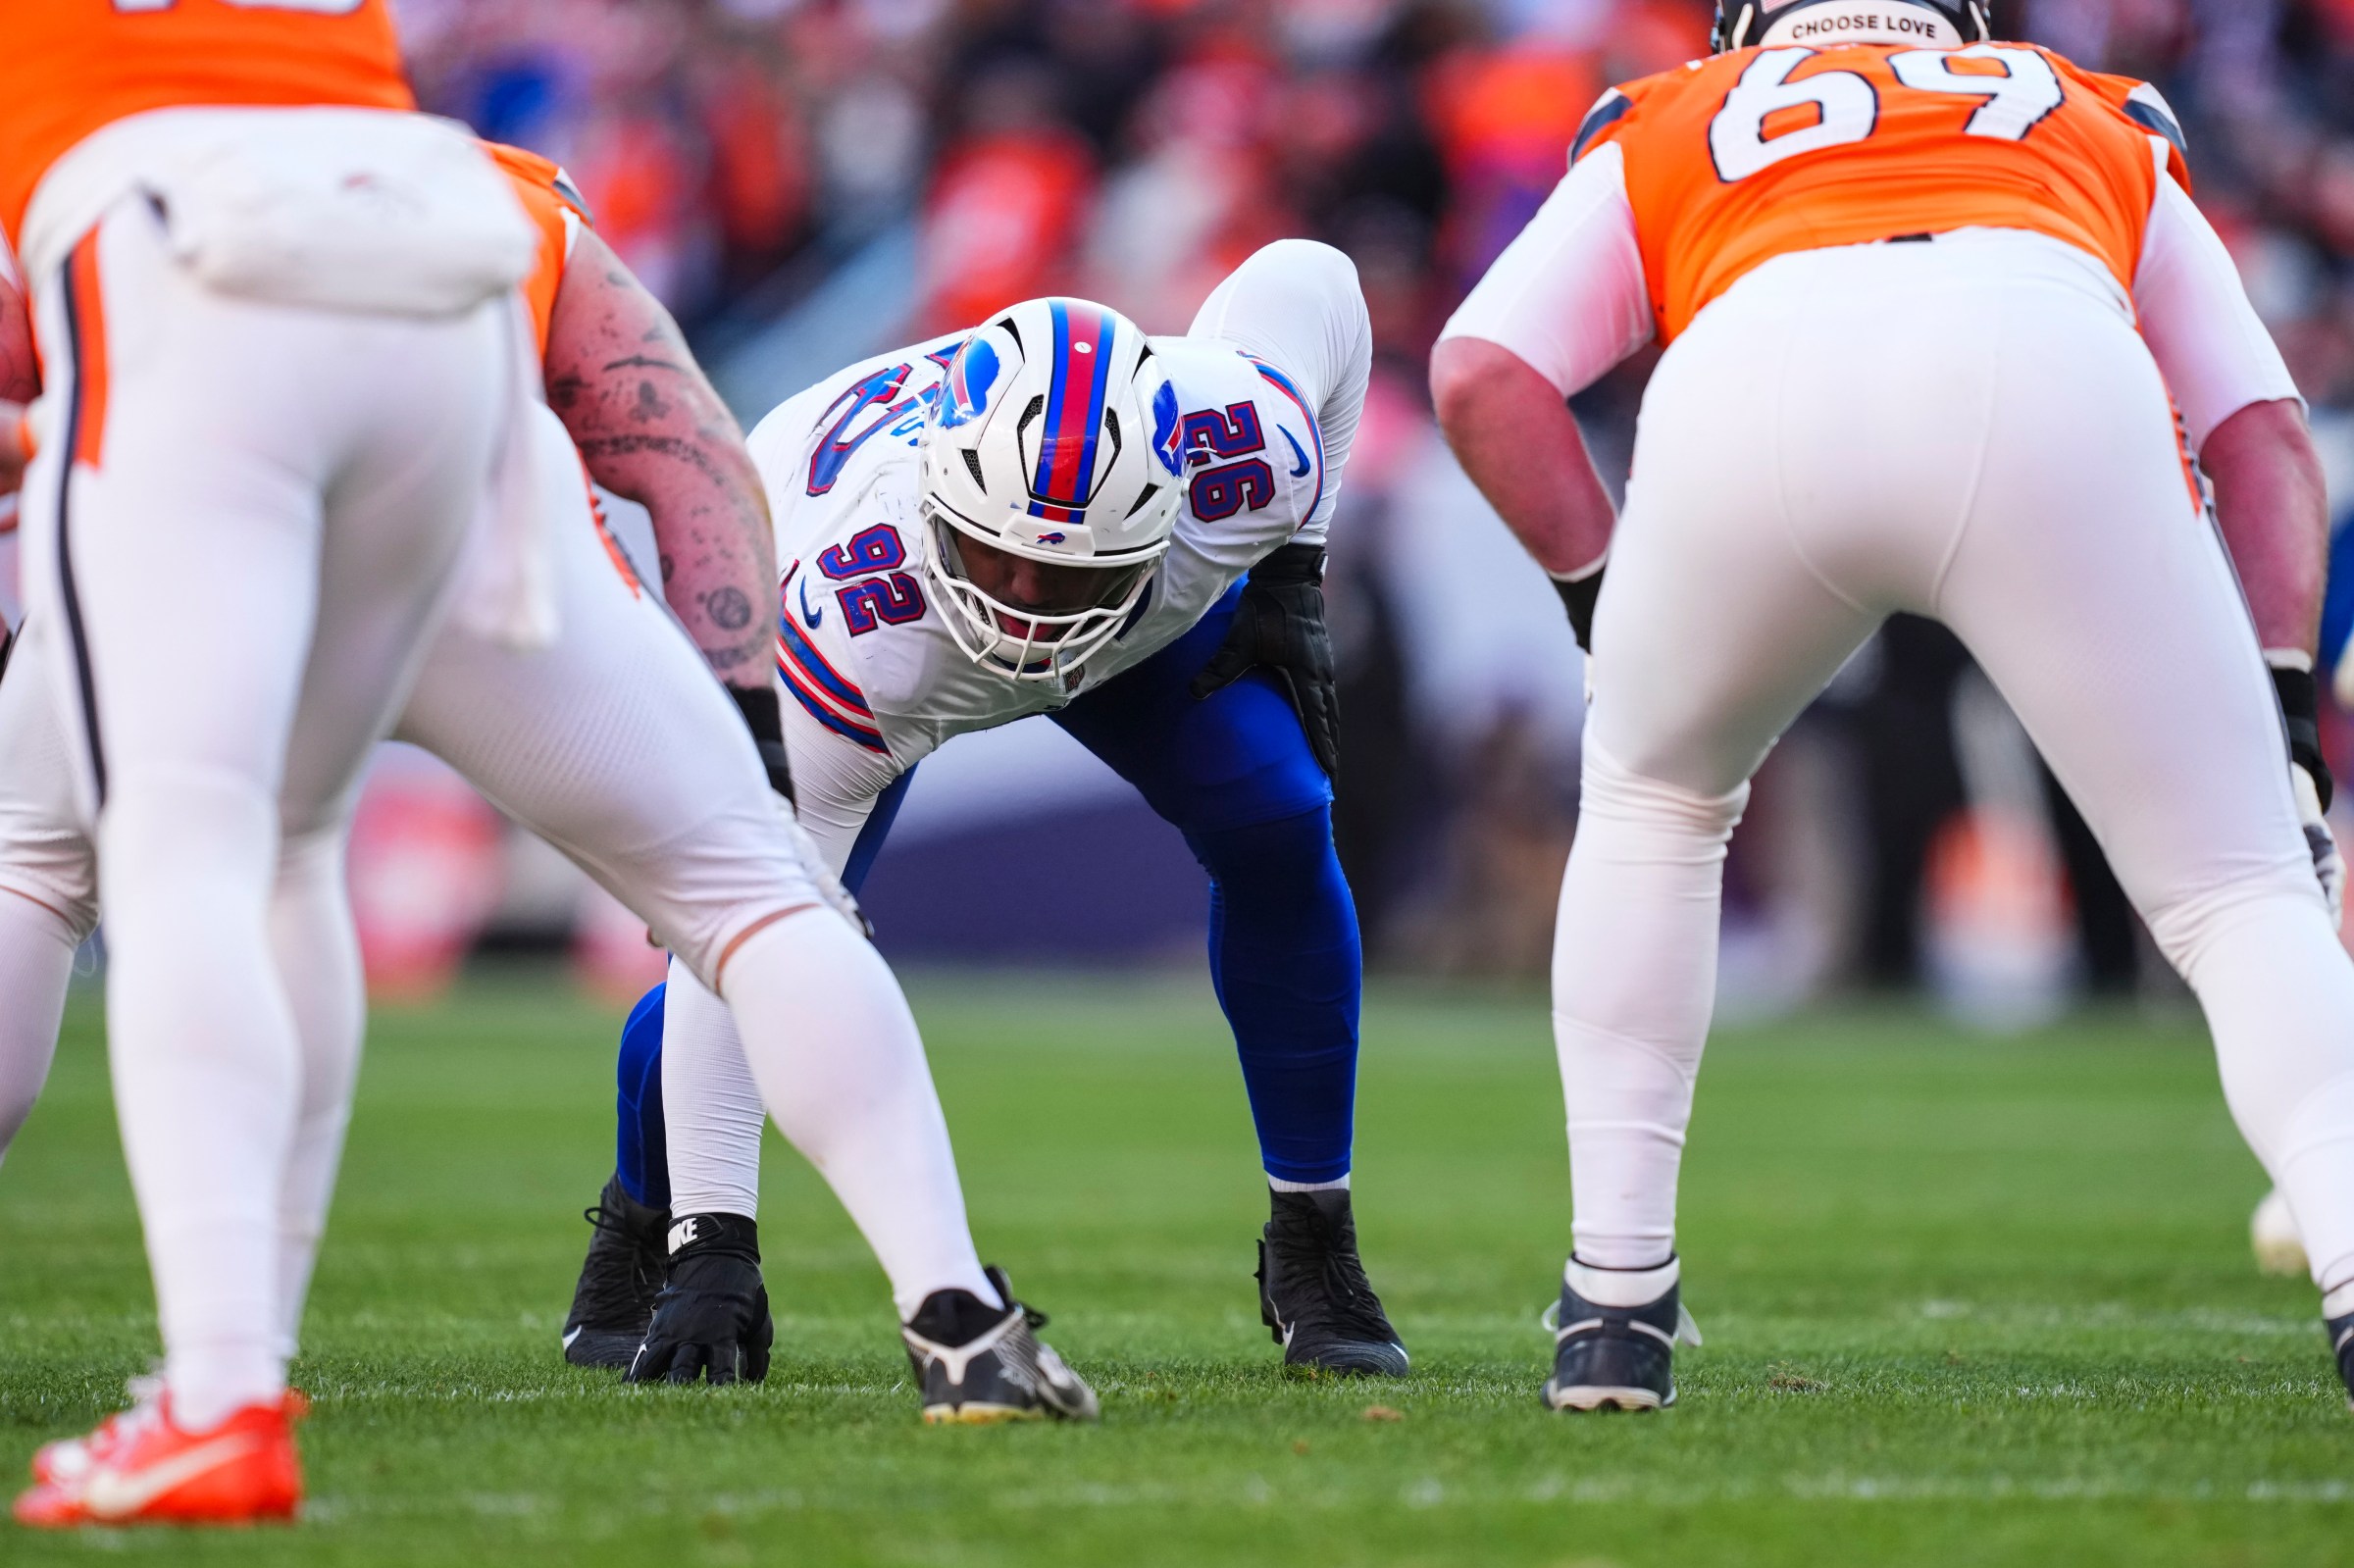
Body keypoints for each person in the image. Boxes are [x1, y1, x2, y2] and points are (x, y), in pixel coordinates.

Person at [0, 131, 1094, 1527]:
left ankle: (224, 1383)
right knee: (756, 890)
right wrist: (747, 721)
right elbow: (686, 443)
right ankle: (957, 1310)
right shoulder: (475, 184)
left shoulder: (78, 124)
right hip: (474, 520)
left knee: (46, 869)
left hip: (187, 498)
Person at [1430, 0, 2354, 1412]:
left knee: (1658, 804)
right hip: (2040, 348)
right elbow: (2262, 428)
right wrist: (2284, 696)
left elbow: (1482, 372)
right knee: (2238, 893)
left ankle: (1613, 1301)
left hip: (1753, 370)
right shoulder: (2089, 105)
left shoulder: (1675, 107)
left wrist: (1600, 604)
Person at [568, 239, 1408, 1381]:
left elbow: (1313, 281)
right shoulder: (846, 606)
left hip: (1143, 628)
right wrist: (720, 1238)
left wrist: (1290, 574)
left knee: (1279, 819)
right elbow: (734, 940)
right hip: (891, 627)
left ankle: (1314, 1237)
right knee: (769, 943)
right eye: (1001, 562)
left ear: (1164, 499)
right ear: (941, 502)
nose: (1027, 611)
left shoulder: (1247, 454)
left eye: (1064, 577)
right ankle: (644, 1221)